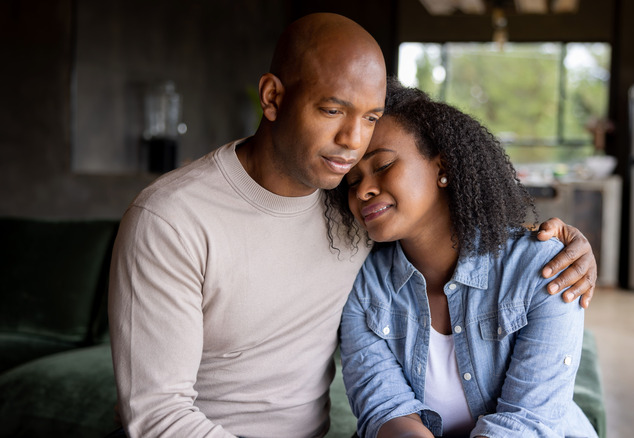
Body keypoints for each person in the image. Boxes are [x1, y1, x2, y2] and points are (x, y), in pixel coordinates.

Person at [108, 13, 597, 438]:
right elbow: (157, 414)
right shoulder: (172, 219)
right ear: (272, 97)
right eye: (332, 110)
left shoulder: (348, 213)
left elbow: (456, 236)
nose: (352, 142)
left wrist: (569, 247)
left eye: (370, 118)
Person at [327, 80, 598, 438]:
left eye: (383, 165)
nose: (363, 190)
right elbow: (385, 410)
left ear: (444, 168)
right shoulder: (365, 284)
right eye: (352, 180)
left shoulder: (543, 269)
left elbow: (526, 422)